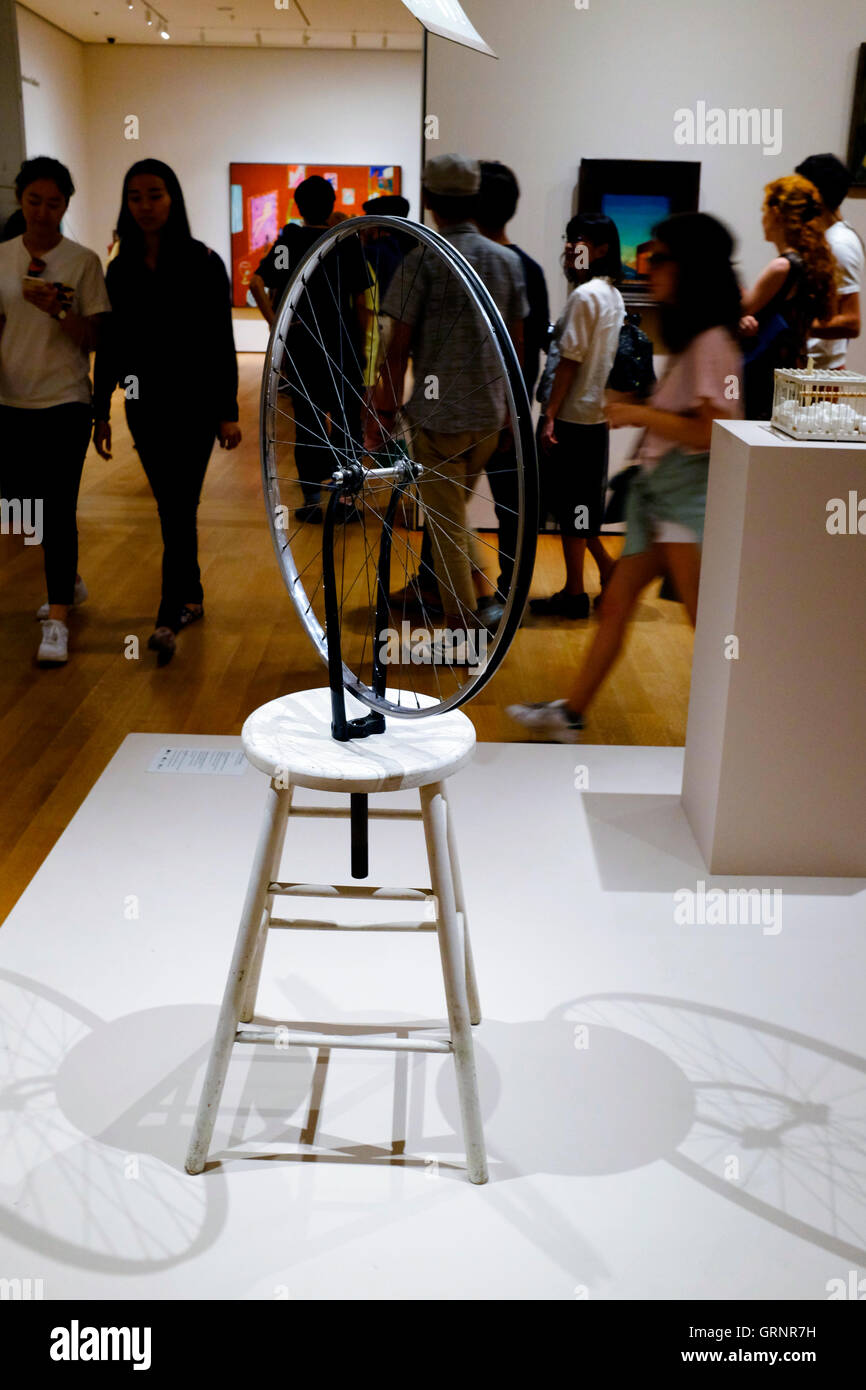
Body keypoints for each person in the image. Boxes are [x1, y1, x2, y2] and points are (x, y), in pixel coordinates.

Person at [507, 212, 743, 742]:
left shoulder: (710, 343)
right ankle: (571, 712)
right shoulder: (700, 339)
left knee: (706, 624)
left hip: (684, 500)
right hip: (663, 499)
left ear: (690, 268)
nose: (648, 268)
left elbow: (715, 431)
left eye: (659, 259)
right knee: (615, 604)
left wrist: (639, 416)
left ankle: (736, 732)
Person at [368, 154, 528, 648]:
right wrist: (511, 417)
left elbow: (397, 350)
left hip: (438, 421)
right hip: (487, 419)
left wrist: (382, 413)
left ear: (430, 199)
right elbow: (515, 348)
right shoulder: (507, 262)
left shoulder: (422, 259)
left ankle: (464, 629)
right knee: (451, 518)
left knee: (447, 526)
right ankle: (466, 612)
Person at [92, 159, 240, 666]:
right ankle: (190, 595)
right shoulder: (120, 268)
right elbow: (111, 344)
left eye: (154, 194)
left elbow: (221, 340)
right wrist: (101, 409)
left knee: (177, 506)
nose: (145, 206)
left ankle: (165, 615)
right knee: (174, 506)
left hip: (195, 405)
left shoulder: (203, 262)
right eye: (135, 197)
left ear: (172, 198)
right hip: (143, 405)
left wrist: (227, 411)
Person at [0, 156, 110, 666]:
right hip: (10, 400)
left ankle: (59, 618)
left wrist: (60, 309)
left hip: (66, 400)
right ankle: (69, 581)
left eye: (54, 203)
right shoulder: (1, 257)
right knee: (20, 506)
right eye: (33, 201)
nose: (43, 212)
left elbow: (95, 337)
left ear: (66, 204)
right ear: (20, 200)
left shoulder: (82, 261)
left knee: (57, 505)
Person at [249, 175, 370, 521]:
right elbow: (360, 300)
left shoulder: (292, 239)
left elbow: (256, 282)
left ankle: (311, 500)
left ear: (299, 206)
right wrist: (360, 345)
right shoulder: (344, 239)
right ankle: (346, 501)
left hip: (303, 344)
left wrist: (277, 325)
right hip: (343, 343)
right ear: (331, 204)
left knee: (309, 419)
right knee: (347, 420)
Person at [530, 212, 625, 619]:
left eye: (581, 239)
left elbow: (570, 360)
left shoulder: (585, 296)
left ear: (602, 249)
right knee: (577, 507)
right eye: (570, 238)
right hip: (593, 416)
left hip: (571, 417)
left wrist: (549, 416)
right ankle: (607, 571)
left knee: (570, 509)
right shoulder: (610, 294)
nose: (571, 246)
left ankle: (574, 593)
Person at [475, 161, 550, 621]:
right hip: (508, 407)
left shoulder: (466, 264)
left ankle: (501, 593)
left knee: (447, 499)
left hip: (475, 408)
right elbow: (534, 346)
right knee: (510, 509)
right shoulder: (530, 269)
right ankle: (505, 593)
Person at [740, 175, 837, 419]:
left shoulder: (782, 267)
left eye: (764, 211)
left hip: (761, 378)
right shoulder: (807, 265)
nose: (762, 219)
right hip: (787, 376)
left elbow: (740, 311)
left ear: (775, 212)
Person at [794, 153, 863, 369]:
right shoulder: (827, 238)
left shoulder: (839, 244)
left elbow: (851, 322)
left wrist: (796, 325)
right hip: (810, 368)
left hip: (820, 374)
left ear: (816, 195)